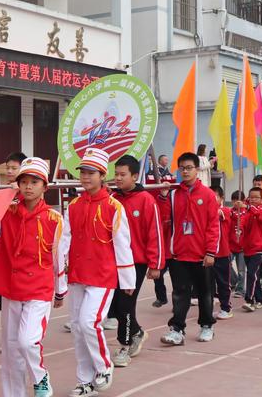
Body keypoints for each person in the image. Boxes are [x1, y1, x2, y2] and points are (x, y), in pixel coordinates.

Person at [59, 148, 136, 396]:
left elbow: (122, 243)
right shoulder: (73, 205)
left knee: (89, 323)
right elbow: (64, 241)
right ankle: (85, 381)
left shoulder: (114, 207)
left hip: (102, 276)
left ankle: (104, 366)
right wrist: (59, 274)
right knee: (78, 329)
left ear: (103, 175)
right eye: (82, 172)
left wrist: (128, 280)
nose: (85, 177)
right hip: (78, 275)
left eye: (91, 172)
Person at [0, 157, 65, 397]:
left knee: (27, 341)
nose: (28, 186)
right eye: (24, 181)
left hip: (38, 290)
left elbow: (58, 257)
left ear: (45, 187)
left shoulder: (54, 219)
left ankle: (40, 377)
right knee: (11, 349)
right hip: (11, 287)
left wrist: (60, 289)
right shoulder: (6, 211)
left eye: (34, 181)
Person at [159, 152, 219, 345]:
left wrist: (210, 252)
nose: (185, 171)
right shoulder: (174, 194)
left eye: (189, 168)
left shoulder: (208, 194)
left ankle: (207, 326)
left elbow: (213, 225)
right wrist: (162, 197)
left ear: (197, 169)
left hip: (202, 255)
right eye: (182, 168)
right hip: (179, 254)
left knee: (204, 293)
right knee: (180, 293)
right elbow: (165, 220)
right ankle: (177, 329)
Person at [110, 155, 164, 368]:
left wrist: (155, 264)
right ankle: (137, 332)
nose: (118, 178)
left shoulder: (146, 200)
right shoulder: (112, 199)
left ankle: (124, 346)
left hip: (136, 263)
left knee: (125, 304)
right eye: (116, 174)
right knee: (113, 305)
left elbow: (155, 233)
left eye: (123, 175)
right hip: (113, 261)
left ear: (134, 176)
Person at [0, 151, 27, 312]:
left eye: (14, 168)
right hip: (2, 249)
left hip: (20, 251)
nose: (10, 172)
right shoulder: (3, 191)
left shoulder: (28, 193)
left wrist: (20, 191)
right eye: (8, 168)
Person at [241, 187, 262, 312]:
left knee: (251, 273)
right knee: (254, 276)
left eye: (256, 197)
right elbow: (243, 223)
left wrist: (247, 207)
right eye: (251, 197)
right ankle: (261, 300)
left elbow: (258, 215)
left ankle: (249, 300)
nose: (253, 200)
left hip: (258, 248)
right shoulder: (247, 212)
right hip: (247, 248)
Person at [210, 186, 233, 319]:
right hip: (208, 254)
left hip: (222, 254)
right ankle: (210, 306)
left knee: (223, 283)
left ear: (221, 198)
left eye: (215, 197)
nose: (212, 200)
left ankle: (226, 308)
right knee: (208, 283)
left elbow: (217, 213)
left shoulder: (225, 211)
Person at [229, 191, 246, 298]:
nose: (235, 202)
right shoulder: (230, 212)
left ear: (243, 201)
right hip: (230, 245)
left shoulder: (246, 212)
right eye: (233, 200)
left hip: (242, 247)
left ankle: (240, 289)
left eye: (237, 200)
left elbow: (244, 220)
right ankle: (233, 280)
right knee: (226, 264)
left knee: (241, 270)